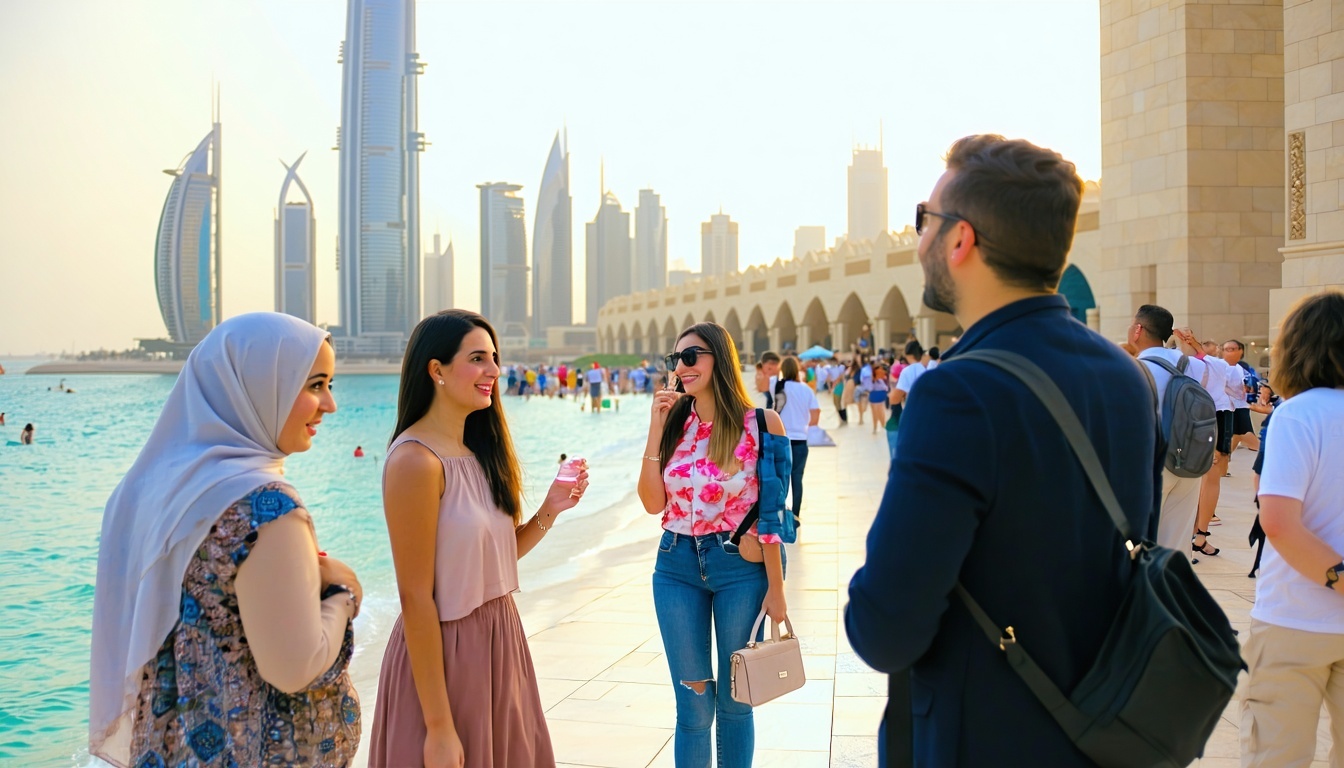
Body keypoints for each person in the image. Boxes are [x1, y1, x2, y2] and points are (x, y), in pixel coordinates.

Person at [845, 135, 1157, 765]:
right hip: (1100, 734)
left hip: (981, 738)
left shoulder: (958, 393)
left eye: (925, 220)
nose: (919, 240)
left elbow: (885, 630)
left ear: (961, 239)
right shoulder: (1125, 377)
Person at [89, 312, 361, 767]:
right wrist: (344, 594)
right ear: (258, 386)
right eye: (315, 385)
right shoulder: (266, 507)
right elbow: (295, 666)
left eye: (329, 385)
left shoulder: (151, 493)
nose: (329, 405)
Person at [370, 309, 590, 767]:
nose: (494, 371)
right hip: (446, 657)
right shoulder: (415, 462)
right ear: (437, 370)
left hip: (501, 641)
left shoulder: (479, 452)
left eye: (494, 358)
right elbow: (415, 597)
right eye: (477, 359)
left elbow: (495, 559)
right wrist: (438, 726)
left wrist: (550, 509)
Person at [639, 322, 789, 768]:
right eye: (675, 360)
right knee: (693, 707)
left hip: (739, 570)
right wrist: (655, 427)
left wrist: (777, 589)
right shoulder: (675, 425)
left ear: (718, 358)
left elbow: (774, 513)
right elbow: (652, 503)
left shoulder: (762, 423)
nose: (681, 368)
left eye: (691, 357)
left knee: (736, 701)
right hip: (675, 566)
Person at [1240, 290, 1344, 766]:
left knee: (1276, 756)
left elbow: (1278, 522)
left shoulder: (1297, 414)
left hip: (1293, 619)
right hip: (1300, 616)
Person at [1130, 304, 1209, 552]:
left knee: (1141, 543)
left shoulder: (1135, 369)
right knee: (1176, 544)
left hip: (1153, 462)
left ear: (1138, 330)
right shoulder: (1192, 365)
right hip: (1190, 460)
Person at [774, 355, 820, 527]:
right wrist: (804, 425)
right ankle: (795, 516)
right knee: (797, 479)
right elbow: (816, 414)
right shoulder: (806, 389)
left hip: (782, 439)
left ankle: (780, 514)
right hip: (800, 440)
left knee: (781, 478)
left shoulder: (778, 386)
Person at [1223, 339, 1262, 454]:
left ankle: (1224, 457)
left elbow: (1249, 384)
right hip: (1233, 404)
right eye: (1226, 349)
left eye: (1232, 349)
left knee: (1240, 433)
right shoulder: (1224, 366)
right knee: (1238, 433)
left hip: (1240, 404)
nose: (1228, 352)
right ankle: (1223, 458)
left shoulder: (1242, 367)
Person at [867, 362, 890, 434]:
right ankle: (877, 427)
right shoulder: (872, 378)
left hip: (878, 396)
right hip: (875, 396)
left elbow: (885, 388)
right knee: (876, 412)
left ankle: (881, 426)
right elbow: (870, 388)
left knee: (879, 412)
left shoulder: (880, 379)